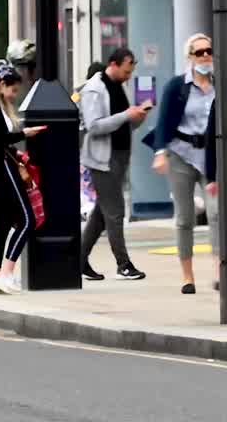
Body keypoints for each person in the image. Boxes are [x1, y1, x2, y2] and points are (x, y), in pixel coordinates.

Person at [148, 33, 219, 295]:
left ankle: (218, 271)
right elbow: (164, 122)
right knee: (185, 217)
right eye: (199, 52)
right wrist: (159, 152)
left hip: (211, 157)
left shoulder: (219, 86)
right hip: (181, 154)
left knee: (216, 213)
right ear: (189, 57)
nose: (205, 56)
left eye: (208, 51)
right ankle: (187, 277)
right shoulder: (177, 86)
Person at [0, 64, 47, 294]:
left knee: (4, 224)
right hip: (2, 170)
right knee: (27, 220)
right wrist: (24, 133)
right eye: (13, 90)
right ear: (2, 86)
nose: (15, 95)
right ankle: (6, 273)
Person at [79, 48, 149, 282]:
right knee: (115, 211)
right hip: (102, 159)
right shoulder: (94, 89)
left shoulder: (120, 86)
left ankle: (78, 259)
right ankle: (123, 264)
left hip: (119, 155)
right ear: (114, 64)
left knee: (102, 212)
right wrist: (127, 115)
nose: (129, 76)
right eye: (126, 71)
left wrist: (136, 118)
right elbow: (94, 125)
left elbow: (124, 123)